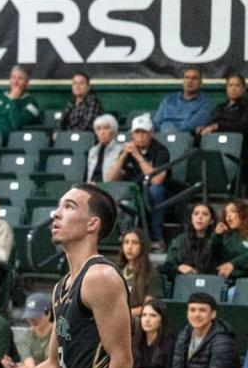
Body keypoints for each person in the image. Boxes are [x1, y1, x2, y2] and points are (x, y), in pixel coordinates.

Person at [0, 184, 132, 368]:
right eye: (58, 206)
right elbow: (53, 366)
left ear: (92, 223)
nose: (56, 214)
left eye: (69, 207)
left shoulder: (100, 277)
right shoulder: (61, 287)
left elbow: (122, 358)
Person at [155, 293, 239, 368]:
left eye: (202, 310)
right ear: (187, 313)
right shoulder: (184, 335)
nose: (196, 315)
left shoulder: (223, 342)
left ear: (213, 314)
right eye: (192, 310)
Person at [105, 114, 171, 248]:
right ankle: (119, 237)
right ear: (132, 135)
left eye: (144, 132)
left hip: (155, 192)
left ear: (151, 134)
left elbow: (157, 180)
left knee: (156, 190)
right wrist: (123, 156)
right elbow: (110, 179)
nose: (140, 136)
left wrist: (138, 156)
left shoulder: (160, 150)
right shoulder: (127, 151)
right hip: (133, 190)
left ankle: (156, 237)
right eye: (137, 132)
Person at [0, 293, 56, 368]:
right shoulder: (25, 336)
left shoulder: (58, 334)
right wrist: (15, 366)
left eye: (36, 316)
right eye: (29, 316)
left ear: (48, 313)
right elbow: (30, 366)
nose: (32, 319)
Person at [162, 203, 218, 280]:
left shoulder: (217, 240)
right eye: (196, 214)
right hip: (184, 283)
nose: (200, 217)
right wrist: (179, 268)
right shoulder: (181, 239)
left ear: (211, 221)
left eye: (205, 214)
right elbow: (168, 265)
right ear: (191, 219)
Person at [132, 300, 174, 368]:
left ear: (162, 319)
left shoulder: (169, 344)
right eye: (144, 315)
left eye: (153, 316)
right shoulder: (135, 341)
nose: (147, 319)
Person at [153, 66, 214, 133]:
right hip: (162, 136)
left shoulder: (205, 103)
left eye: (194, 78)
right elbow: (156, 123)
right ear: (183, 80)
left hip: (185, 139)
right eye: (187, 77)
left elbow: (190, 127)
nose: (190, 81)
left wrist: (171, 132)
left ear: (200, 83)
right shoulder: (169, 99)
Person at [118, 229, 163, 318]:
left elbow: (149, 306)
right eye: (126, 242)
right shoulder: (116, 271)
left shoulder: (151, 273)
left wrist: (123, 316)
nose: (129, 247)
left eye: (135, 243)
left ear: (142, 247)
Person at [214, 200, 248, 282]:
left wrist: (233, 264)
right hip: (231, 282)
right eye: (226, 213)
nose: (228, 215)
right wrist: (217, 235)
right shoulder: (226, 237)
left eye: (233, 211)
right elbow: (214, 256)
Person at [86, 114, 123, 183]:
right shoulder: (92, 151)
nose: (102, 132)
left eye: (106, 128)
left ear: (113, 131)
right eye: (98, 129)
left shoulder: (120, 150)